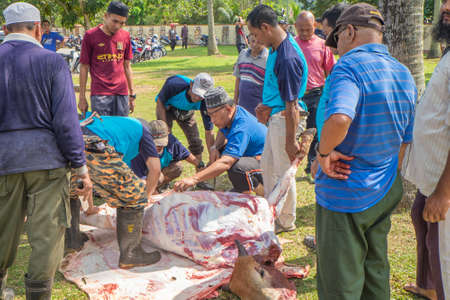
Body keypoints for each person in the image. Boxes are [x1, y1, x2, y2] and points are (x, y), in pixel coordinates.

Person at [315, 4, 417, 299]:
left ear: (349, 31)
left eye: (338, 41)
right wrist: (386, 175)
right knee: (375, 272)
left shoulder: (348, 67)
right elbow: (405, 139)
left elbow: (339, 119)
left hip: (346, 193)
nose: (338, 50)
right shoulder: (403, 73)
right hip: (385, 188)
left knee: (340, 282)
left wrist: (323, 153)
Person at [0, 3, 92, 299]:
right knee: (46, 239)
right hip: (47, 164)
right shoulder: (52, 62)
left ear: (4, 29)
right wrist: (80, 167)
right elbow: (66, 122)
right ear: (39, 29)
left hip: (3, 161)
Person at [66, 112, 162, 269]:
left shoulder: (118, 130)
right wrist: (146, 198)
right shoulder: (143, 131)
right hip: (94, 143)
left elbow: (91, 176)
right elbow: (155, 169)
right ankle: (131, 254)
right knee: (134, 195)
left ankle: (72, 240)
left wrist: (90, 207)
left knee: (75, 188)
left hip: (69, 142)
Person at [402, 1, 450, 299]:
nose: (445, 7)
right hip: (432, 174)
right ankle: (430, 288)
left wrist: (444, 193)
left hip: (444, 182)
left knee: (442, 252)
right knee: (420, 214)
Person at [246, 5, 308, 234]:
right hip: (276, 116)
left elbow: (292, 104)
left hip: (285, 120)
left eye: (255, 34)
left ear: (266, 27)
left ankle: (286, 220)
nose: (255, 39)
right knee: (269, 167)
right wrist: (268, 105)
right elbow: (281, 94)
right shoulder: (275, 49)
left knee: (284, 172)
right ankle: (274, 213)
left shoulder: (287, 57)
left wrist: (291, 141)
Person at [174, 87, 266, 195]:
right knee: (223, 153)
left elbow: (226, 162)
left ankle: (263, 194)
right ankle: (243, 188)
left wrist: (194, 179)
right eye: (209, 115)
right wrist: (215, 147)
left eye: (214, 115)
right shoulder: (232, 114)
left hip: (268, 163)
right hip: (254, 158)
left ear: (227, 108)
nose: (212, 120)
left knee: (237, 168)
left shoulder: (241, 128)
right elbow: (223, 129)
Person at [294, 11, 336, 174]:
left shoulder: (322, 45)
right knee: (295, 131)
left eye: (308, 29)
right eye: (301, 30)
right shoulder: (291, 45)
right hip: (296, 97)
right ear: (295, 27)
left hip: (316, 94)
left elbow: (330, 71)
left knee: (315, 131)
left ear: (315, 26)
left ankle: (312, 163)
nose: (304, 33)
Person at [78, 1, 135, 117]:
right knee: (103, 132)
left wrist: (132, 94)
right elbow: (84, 67)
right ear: (106, 16)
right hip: (100, 95)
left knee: (122, 131)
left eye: (122, 23)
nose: (118, 26)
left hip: (121, 93)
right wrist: (82, 97)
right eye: (115, 21)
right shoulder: (90, 36)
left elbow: (127, 66)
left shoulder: (125, 36)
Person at [155, 73, 215, 165]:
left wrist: (212, 157)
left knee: (195, 141)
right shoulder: (174, 84)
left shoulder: (206, 102)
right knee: (165, 138)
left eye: (201, 96)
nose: (197, 97)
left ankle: (199, 175)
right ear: (191, 84)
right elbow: (160, 102)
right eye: (196, 92)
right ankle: (164, 167)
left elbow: (209, 131)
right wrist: (165, 128)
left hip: (187, 111)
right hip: (167, 107)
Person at [145, 120, 204, 190]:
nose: (159, 146)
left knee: (177, 167)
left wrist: (200, 164)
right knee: (158, 177)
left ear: (168, 135)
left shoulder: (171, 141)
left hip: (161, 170)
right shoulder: (142, 145)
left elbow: (185, 154)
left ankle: (160, 185)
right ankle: (150, 188)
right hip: (145, 173)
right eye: (155, 143)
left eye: (161, 142)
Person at [233, 33, 268, 116]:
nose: (255, 44)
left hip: (259, 106)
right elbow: (238, 78)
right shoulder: (242, 54)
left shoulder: (268, 58)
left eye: (258, 42)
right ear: (248, 41)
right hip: (242, 104)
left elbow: (270, 86)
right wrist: (235, 100)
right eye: (252, 41)